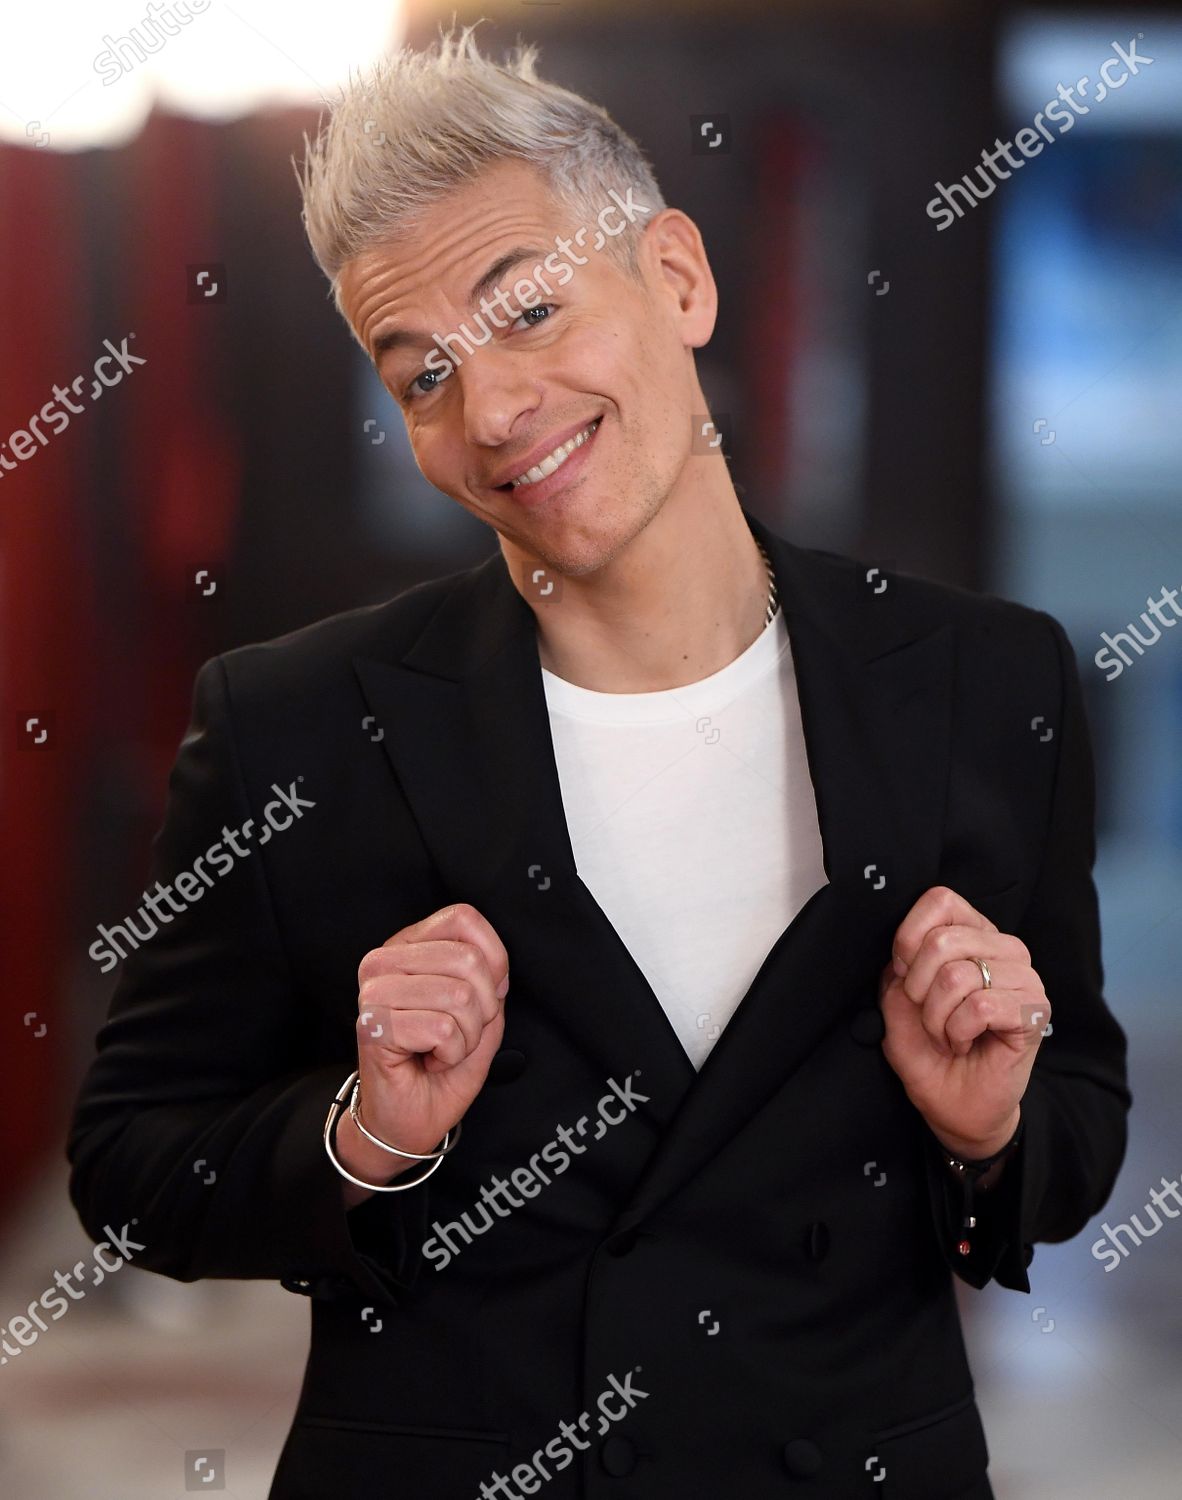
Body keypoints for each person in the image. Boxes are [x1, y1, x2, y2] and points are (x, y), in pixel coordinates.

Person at [67, 23, 1131, 1500]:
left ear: (679, 279)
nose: (491, 412)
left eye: (530, 311)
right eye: (420, 374)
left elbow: (1074, 1119)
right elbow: (134, 1172)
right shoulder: (293, 723)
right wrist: (367, 1134)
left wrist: (986, 1125)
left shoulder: (980, 680)